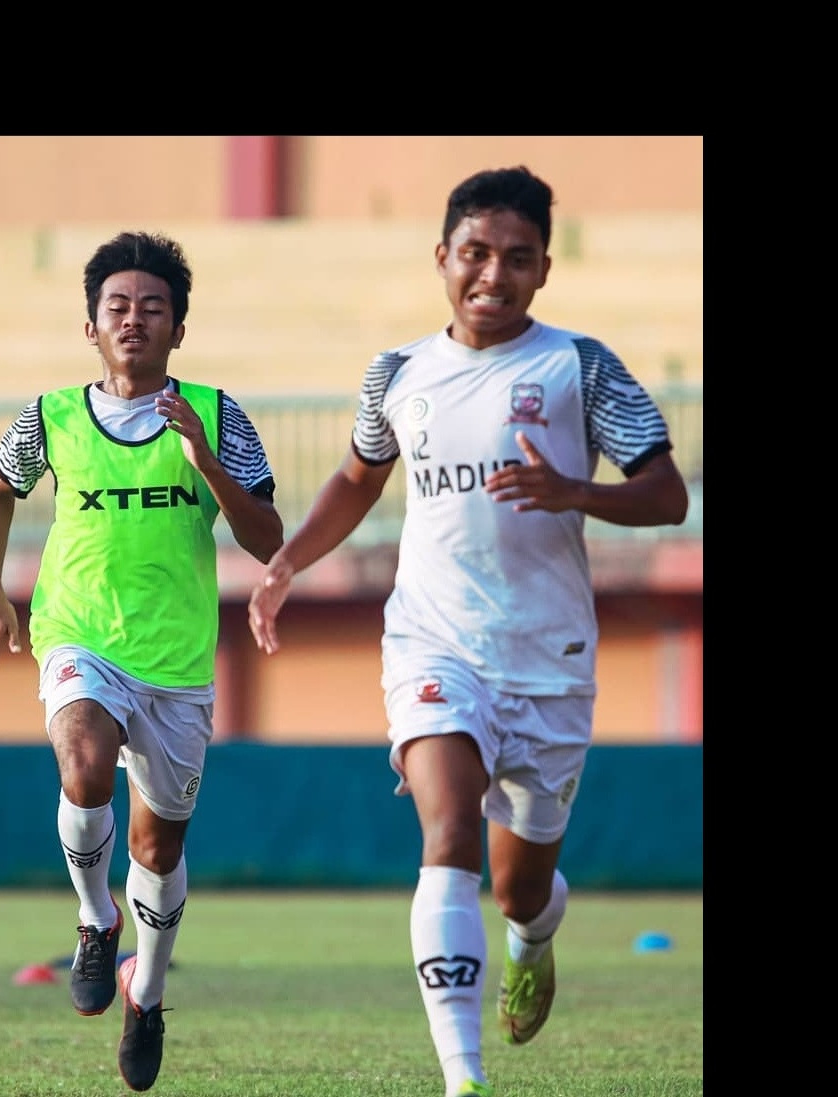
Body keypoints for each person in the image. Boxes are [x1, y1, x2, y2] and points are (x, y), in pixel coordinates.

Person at [246, 167, 690, 1097]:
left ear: (543, 271)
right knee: (446, 826)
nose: (495, 273)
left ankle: (533, 934)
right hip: (434, 644)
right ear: (442, 258)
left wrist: (578, 492)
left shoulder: (580, 367)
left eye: (517, 258)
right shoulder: (397, 373)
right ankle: (464, 1078)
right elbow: (360, 479)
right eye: (477, 254)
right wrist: (288, 563)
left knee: (520, 885)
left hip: (550, 660)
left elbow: (666, 491)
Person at [0, 231, 283, 1092]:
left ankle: (145, 992)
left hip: (176, 659)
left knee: (160, 841)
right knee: (82, 761)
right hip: (78, 632)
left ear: (179, 328)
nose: (135, 320)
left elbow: (268, 536)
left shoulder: (219, 413)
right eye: (119, 307)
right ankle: (92, 917)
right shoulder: (52, 416)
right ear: (91, 327)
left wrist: (206, 461)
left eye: (154, 308)